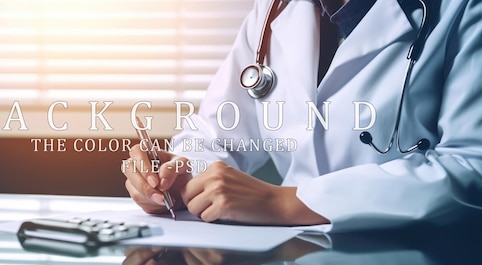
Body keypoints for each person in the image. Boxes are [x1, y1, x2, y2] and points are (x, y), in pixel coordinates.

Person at [122, 0, 482, 232]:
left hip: (422, 255)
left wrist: (288, 202)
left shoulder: (463, 10)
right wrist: (178, 175)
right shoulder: (275, 10)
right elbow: (215, 135)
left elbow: (472, 168)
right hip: (294, 256)